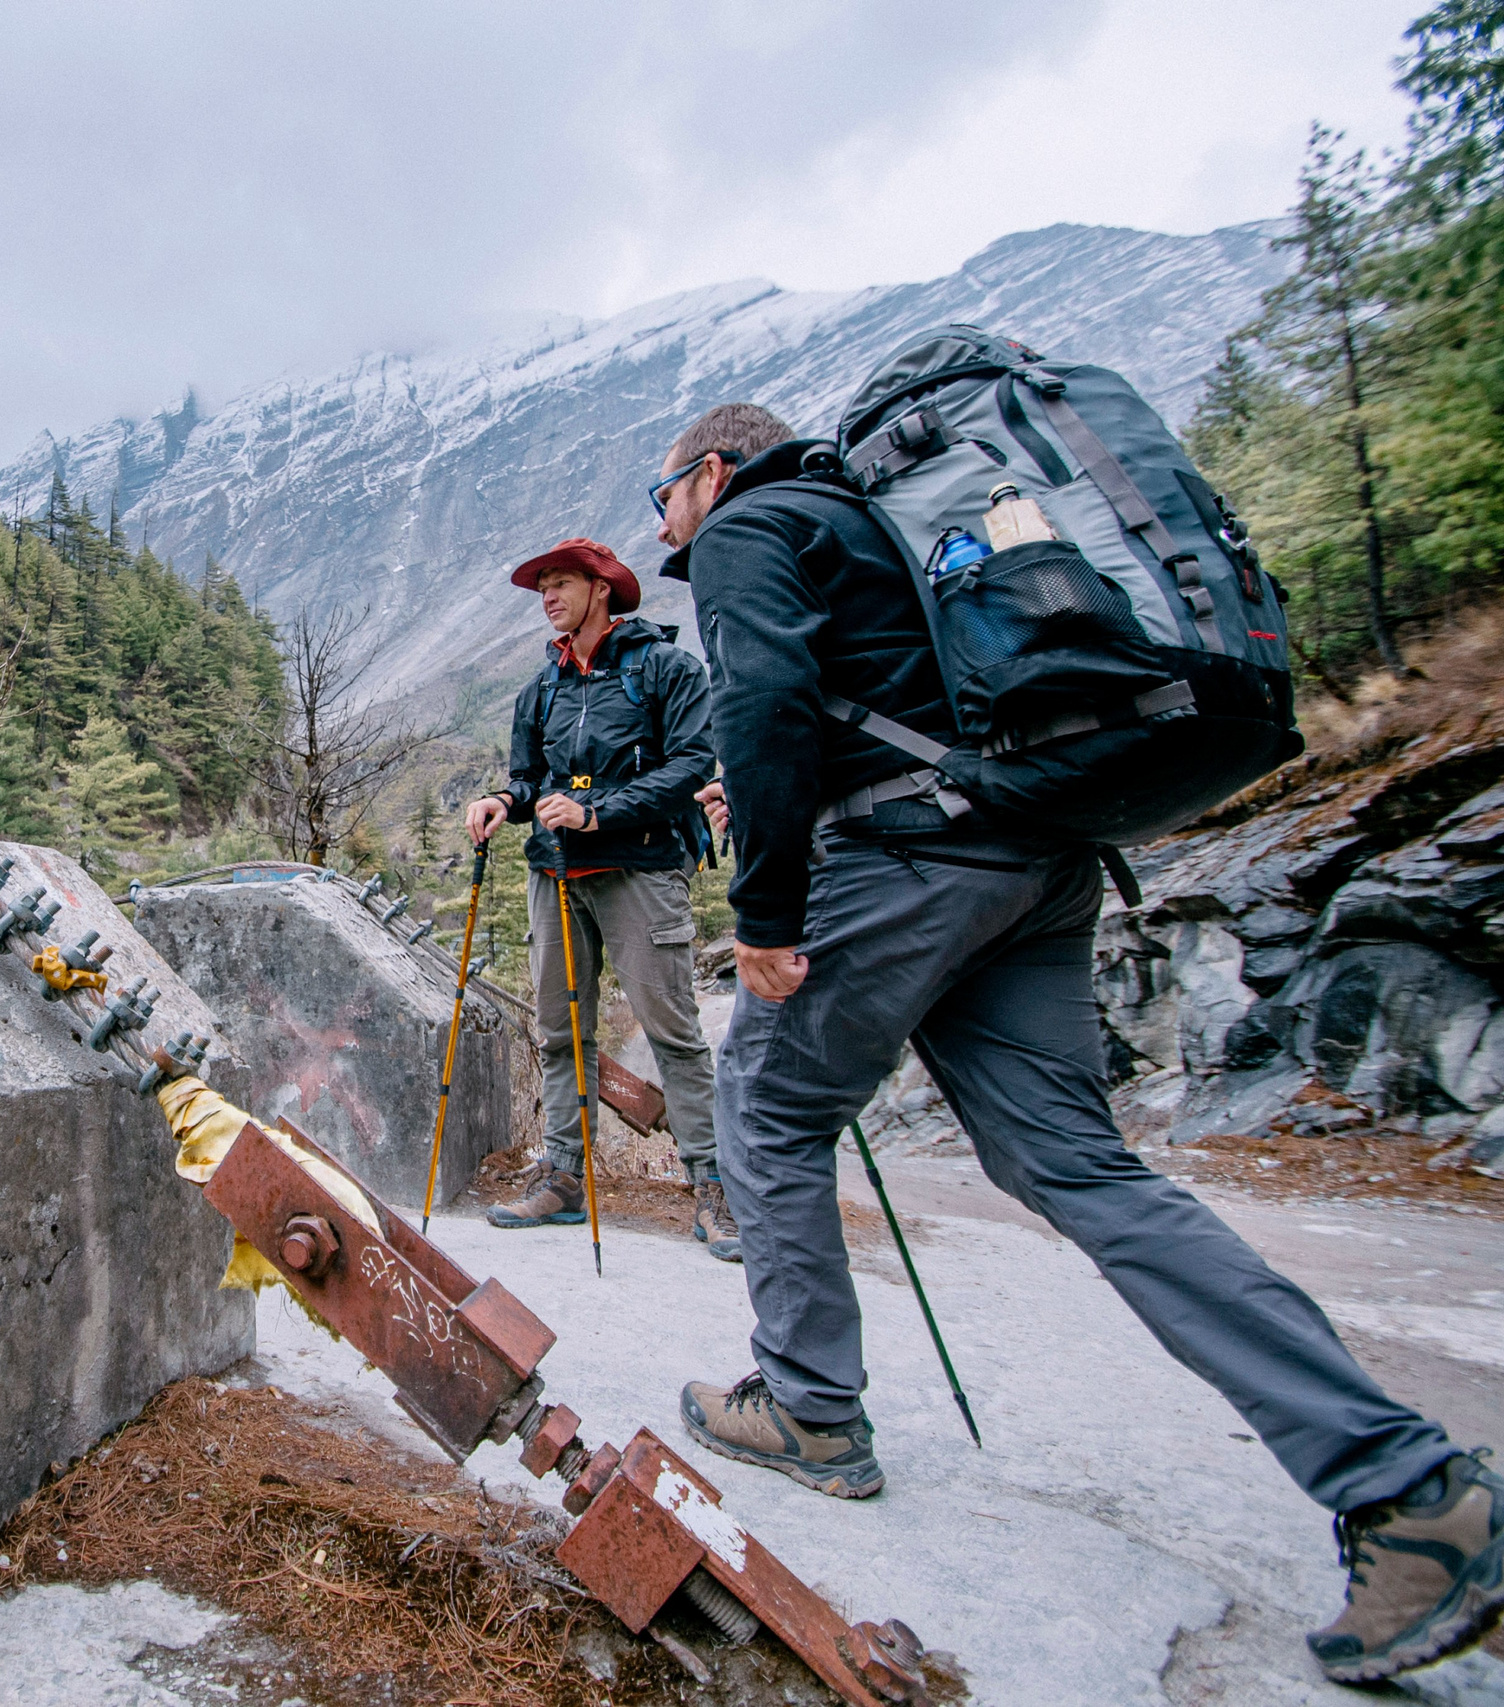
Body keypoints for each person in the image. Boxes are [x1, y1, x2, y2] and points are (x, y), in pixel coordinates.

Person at [655, 401, 1501, 1685]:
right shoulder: (882, 522)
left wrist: (766, 915)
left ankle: (809, 1411)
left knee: (767, 1112)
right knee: (1083, 1170)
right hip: (1036, 863)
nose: (664, 525)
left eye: (661, 499)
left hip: (903, 864)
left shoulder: (751, 524)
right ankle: (1404, 1485)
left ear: (706, 474)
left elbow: (765, 696)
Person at [462, 538, 732, 1256]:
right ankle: (561, 1179)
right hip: (553, 874)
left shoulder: (667, 670)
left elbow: (691, 766)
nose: (547, 597)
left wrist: (598, 812)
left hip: (640, 869)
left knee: (673, 1032)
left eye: (560, 583)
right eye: (541, 586)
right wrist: (500, 799)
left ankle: (713, 1188)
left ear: (602, 587)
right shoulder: (541, 687)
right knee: (559, 1033)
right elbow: (528, 783)